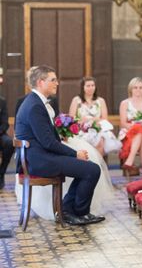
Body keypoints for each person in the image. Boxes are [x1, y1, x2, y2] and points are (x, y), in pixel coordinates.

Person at [14, 65, 104, 226]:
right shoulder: (34, 106)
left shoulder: (34, 102)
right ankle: (76, 212)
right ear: (41, 82)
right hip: (39, 160)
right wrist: (75, 154)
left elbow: (47, 139)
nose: (57, 83)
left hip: (41, 156)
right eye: (53, 80)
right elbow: (48, 143)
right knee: (92, 169)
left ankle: (68, 210)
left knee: (87, 168)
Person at [69, 77, 121, 156]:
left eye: (92, 85)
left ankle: (99, 165)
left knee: (101, 140)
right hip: (81, 130)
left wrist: (95, 120)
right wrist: (82, 121)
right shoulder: (76, 100)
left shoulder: (100, 101)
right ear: (83, 87)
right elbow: (71, 119)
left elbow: (104, 119)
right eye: (88, 86)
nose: (91, 88)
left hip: (97, 129)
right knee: (83, 141)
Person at [0, 71, 14, 189]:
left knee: (9, 143)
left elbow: (5, 123)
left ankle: (1, 172)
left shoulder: (2, 101)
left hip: (0, 134)